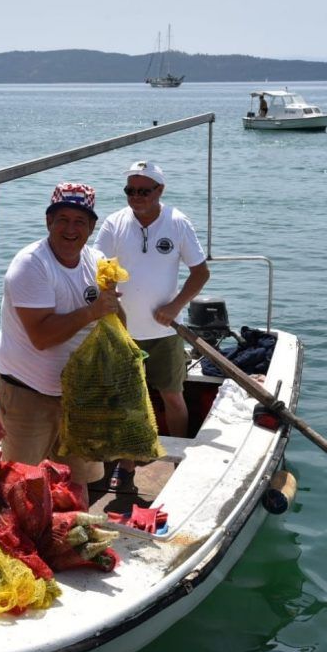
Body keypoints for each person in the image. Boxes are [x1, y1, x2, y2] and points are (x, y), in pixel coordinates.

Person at [0, 182, 121, 492]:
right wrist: (93, 311)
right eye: (62, 219)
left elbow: (116, 322)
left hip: (79, 396)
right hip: (29, 395)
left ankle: (79, 537)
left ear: (92, 227)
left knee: (78, 482)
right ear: (48, 221)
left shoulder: (97, 261)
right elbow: (41, 336)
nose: (70, 229)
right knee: (19, 485)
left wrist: (112, 305)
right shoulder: (31, 265)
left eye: (80, 221)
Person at [93, 160, 209, 493]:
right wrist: (106, 294)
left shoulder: (177, 222)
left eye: (144, 190)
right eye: (130, 190)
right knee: (125, 400)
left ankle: (178, 457)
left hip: (166, 332)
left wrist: (175, 307)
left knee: (173, 396)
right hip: (122, 333)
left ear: (160, 191)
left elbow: (200, 273)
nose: (136, 196)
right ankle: (125, 462)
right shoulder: (115, 223)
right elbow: (96, 267)